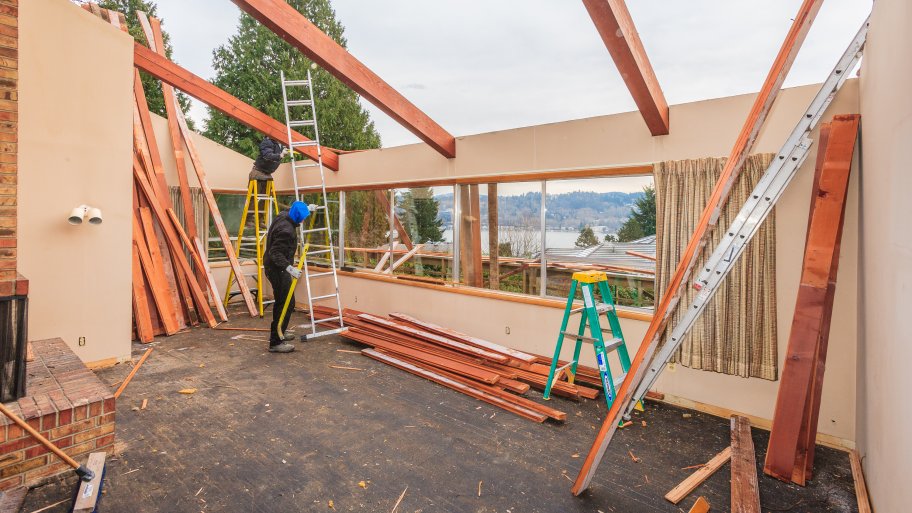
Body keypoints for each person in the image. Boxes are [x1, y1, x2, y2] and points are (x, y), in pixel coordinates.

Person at [263, 201, 311, 353]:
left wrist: (307, 208)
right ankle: (275, 342)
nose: (303, 221)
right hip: (278, 269)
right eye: (302, 218)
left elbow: (293, 210)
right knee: (285, 303)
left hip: (275, 267)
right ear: (297, 217)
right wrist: (290, 268)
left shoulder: (283, 216)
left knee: (287, 302)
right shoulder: (287, 230)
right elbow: (275, 253)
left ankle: (280, 331)